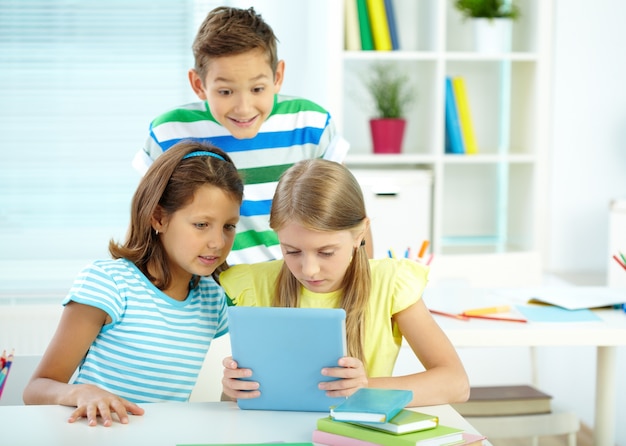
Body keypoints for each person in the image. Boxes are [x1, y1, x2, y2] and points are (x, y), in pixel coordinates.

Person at [23, 141, 244, 427]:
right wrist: (80, 392)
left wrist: (233, 391)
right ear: (158, 218)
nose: (218, 242)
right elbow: (36, 388)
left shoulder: (214, 300)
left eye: (229, 226)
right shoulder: (110, 284)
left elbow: (232, 406)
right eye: (201, 224)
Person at [131, 6, 372, 264]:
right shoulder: (169, 132)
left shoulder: (310, 124)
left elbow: (349, 216)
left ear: (277, 76)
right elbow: (145, 224)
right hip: (202, 288)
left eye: (257, 88)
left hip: (292, 283)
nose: (244, 108)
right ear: (199, 85)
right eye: (225, 92)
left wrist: (367, 286)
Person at [220, 159, 469, 407]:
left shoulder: (390, 284)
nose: (309, 270)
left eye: (326, 252)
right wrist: (233, 390)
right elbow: (232, 407)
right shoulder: (251, 286)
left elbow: (456, 383)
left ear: (360, 234)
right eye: (292, 251)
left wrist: (365, 387)